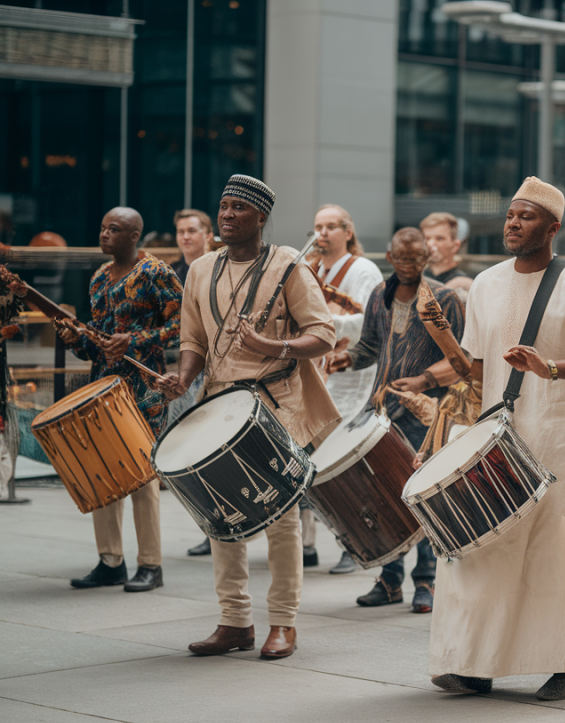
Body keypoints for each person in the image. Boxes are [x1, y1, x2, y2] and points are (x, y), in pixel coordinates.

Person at [429, 177, 565, 701]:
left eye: (526, 216)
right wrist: (439, 339)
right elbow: (473, 370)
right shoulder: (487, 284)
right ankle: (475, 662)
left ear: (553, 228)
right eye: (511, 215)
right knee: (489, 548)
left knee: (555, 548)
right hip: (501, 435)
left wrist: (553, 367)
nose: (513, 223)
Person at [156, 175, 339, 659]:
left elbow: (324, 336)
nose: (228, 215)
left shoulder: (289, 267)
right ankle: (235, 622)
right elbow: (192, 339)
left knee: (280, 518)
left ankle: (284, 623)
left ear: (261, 217)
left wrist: (272, 345)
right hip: (216, 403)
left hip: (275, 403)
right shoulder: (199, 270)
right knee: (220, 515)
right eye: (224, 207)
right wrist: (182, 377)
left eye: (239, 208)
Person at [331, 227, 464, 613]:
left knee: (423, 496)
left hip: (427, 415)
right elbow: (371, 346)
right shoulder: (379, 296)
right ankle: (390, 581)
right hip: (382, 410)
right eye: (402, 259)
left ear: (427, 258)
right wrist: (348, 358)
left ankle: (427, 581)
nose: (410, 265)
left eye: (417, 258)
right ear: (390, 257)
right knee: (385, 494)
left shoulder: (445, 298)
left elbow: (461, 359)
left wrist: (424, 380)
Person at [56, 207, 181, 592]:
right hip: (103, 386)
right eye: (102, 227)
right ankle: (111, 561)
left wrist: (137, 340)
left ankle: (151, 565)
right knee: (102, 472)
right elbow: (98, 347)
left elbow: (185, 326)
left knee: (142, 477)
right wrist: (76, 340)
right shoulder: (97, 279)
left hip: (144, 387)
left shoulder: (156, 272)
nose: (105, 234)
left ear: (134, 236)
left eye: (115, 229)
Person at [299, 204, 383, 573]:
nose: (323, 233)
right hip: (316, 375)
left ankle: (354, 542)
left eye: (331, 226)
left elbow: (370, 320)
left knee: (343, 463)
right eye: (318, 226)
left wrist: (323, 323)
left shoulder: (364, 269)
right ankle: (307, 543)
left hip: (351, 377)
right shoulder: (311, 269)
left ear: (348, 232)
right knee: (306, 458)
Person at [172, 208, 219, 558]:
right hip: (183, 370)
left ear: (207, 234)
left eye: (192, 230)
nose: (186, 237)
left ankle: (220, 525)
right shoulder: (173, 273)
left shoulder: (219, 267)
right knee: (190, 452)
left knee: (213, 450)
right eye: (180, 231)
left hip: (214, 369)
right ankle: (210, 524)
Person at [422, 212, 473, 299]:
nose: (430, 244)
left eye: (439, 238)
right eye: (427, 238)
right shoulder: (415, 279)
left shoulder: (464, 283)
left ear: (455, 245)